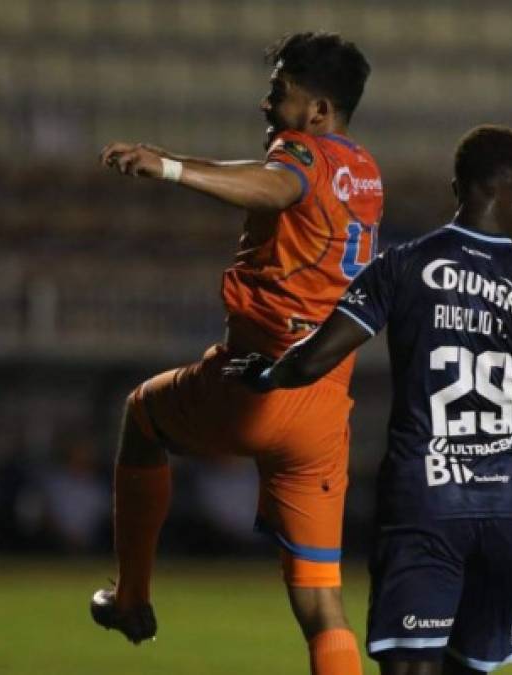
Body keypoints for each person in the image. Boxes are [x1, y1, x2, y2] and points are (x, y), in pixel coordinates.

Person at [225, 125, 512, 674]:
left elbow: (312, 359)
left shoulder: (400, 265)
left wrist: (264, 373)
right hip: (503, 509)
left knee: (409, 666)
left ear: (456, 186)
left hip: (423, 498)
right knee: (470, 667)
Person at [90, 32, 380, 675]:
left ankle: (133, 596)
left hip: (256, 381)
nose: (266, 102)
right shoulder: (363, 171)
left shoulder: (299, 153)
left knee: (142, 416)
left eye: (280, 91)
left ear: (319, 111)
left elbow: (278, 186)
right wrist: (174, 155)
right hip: (325, 403)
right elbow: (279, 183)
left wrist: (168, 169)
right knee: (322, 607)